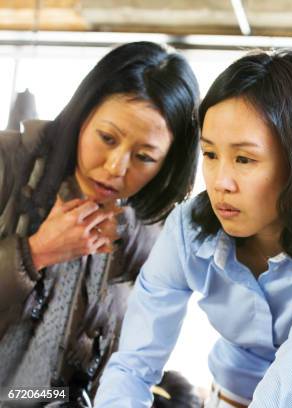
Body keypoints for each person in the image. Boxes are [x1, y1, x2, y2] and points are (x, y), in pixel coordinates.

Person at [95, 49, 292, 408]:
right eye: (210, 154)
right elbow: (133, 364)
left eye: (244, 159)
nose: (220, 182)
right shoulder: (188, 229)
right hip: (230, 396)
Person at [0, 41, 200, 405]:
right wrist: (33, 254)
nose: (115, 168)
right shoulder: (7, 166)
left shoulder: (152, 231)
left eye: (144, 157)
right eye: (106, 138)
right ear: (82, 115)